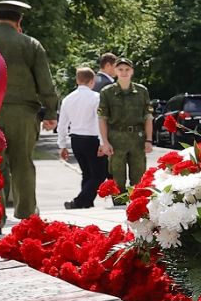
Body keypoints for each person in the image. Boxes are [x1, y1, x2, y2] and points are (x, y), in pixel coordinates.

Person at [0, 0, 58, 223]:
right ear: (19, 22)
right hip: (24, 114)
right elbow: (45, 83)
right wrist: (51, 113)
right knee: (23, 163)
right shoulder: (31, 44)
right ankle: (26, 217)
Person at [96, 58, 152, 199]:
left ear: (132, 71)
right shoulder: (107, 92)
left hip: (137, 139)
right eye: (120, 69)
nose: (124, 72)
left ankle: (137, 207)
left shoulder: (141, 91)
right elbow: (102, 118)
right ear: (115, 71)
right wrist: (105, 142)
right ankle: (119, 207)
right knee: (117, 179)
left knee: (139, 179)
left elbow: (148, 117)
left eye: (127, 69)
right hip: (116, 138)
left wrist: (149, 140)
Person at [56, 67, 107, 208]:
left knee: (87, 173)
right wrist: (103, 143)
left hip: (76, 139)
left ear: (77, 80)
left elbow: (62, 125)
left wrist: (62, 145)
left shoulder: (68, 99)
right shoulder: (96, 98)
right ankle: (78, 202)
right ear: (92, 81)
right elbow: (99, 120)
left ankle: (87, 203)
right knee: (99, 174)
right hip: (92, 139)